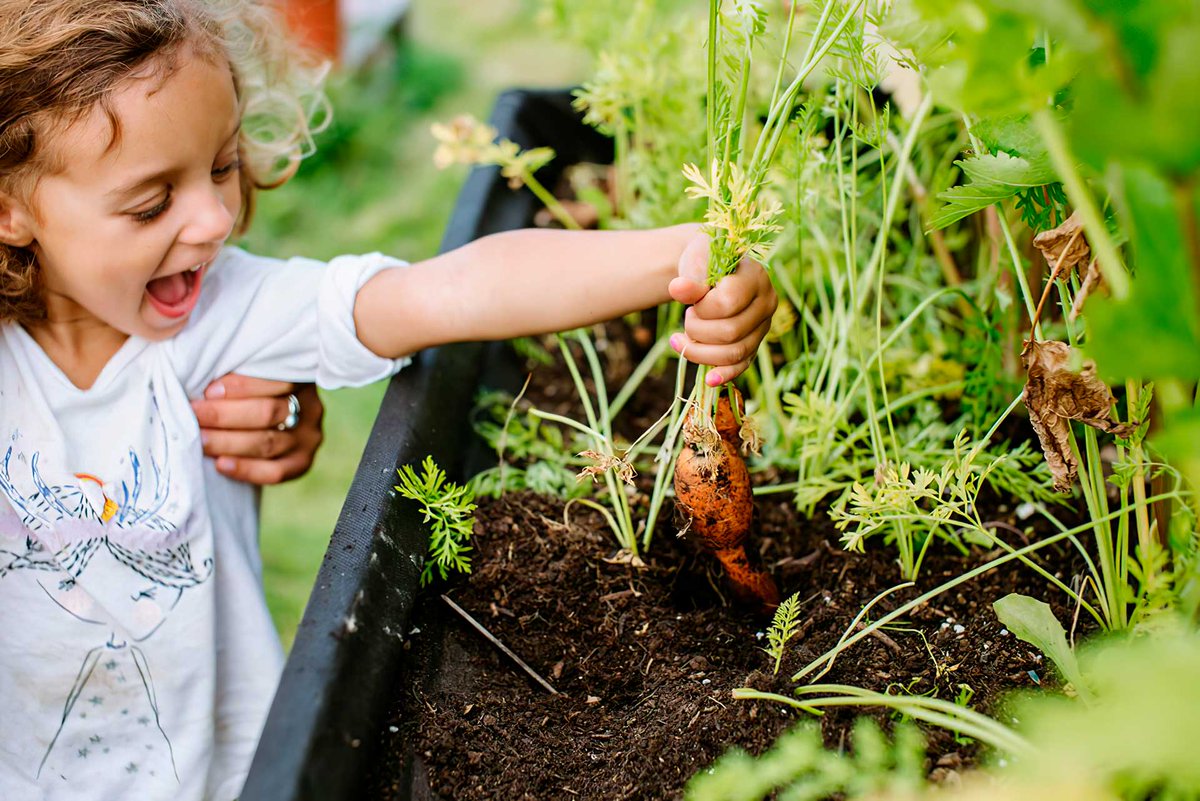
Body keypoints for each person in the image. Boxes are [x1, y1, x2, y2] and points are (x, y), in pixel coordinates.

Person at [0, 1, 778, 799]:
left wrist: (683, 255)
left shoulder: (218, 318)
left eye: (224, 164)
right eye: (150, 203)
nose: (215, 218)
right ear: (11, 209)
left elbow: (449, 293)